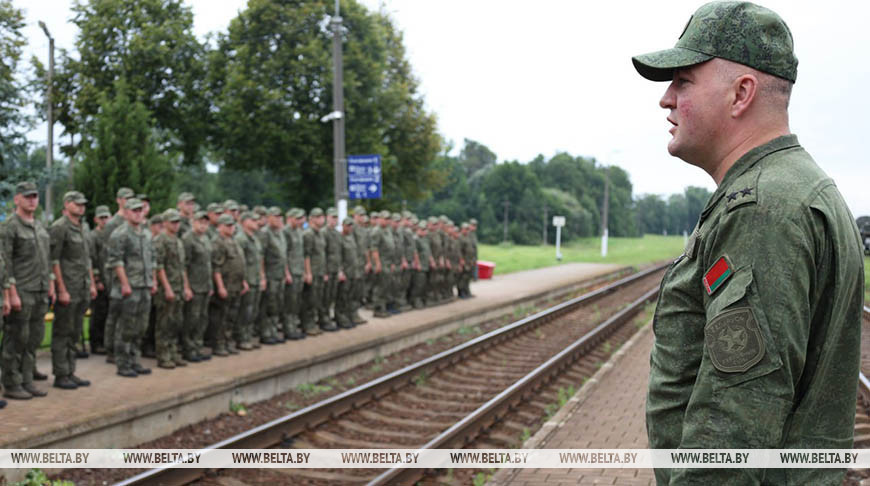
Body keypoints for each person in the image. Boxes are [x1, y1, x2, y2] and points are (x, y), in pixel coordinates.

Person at [632, 2, 864, 484]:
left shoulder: (762, 208)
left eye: (683, 81)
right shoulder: (796, 188)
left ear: (741, 93)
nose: (666, 99)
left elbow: (734, 422)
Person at [1, 182, 54, 399]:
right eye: (27, 196)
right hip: (21, 290)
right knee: (16, 338)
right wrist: (11, 292)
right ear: (17, 199)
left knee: (34, 337)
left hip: (39, 290)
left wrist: (50, 283)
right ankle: (12, 383)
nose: (32, 200)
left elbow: (47, 259)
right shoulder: (10, 227)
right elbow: (6, 261)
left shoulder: (39, 226)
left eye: (35, 196)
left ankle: (27, 379)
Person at [49, 191, 97, 390]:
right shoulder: (59, 228)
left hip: (82, 286)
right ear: (67, 204)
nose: (81, 207)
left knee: (75, 331)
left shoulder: (83, 227)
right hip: (68, 287)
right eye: (76, 204)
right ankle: (61, 374)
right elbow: (54, 260)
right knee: (63, 331)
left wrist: (92, 283)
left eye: (83, 204)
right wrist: (61, 288)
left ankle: (70, 371)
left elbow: (86, 260)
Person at [107, 198, 157, 378]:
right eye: (134, 210)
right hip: (130, 287)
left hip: (144, 285)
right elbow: (116, 261)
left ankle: (135, 360)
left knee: (141, 326)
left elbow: (152, 259)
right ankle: (123, 363)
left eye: (140, 210)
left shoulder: (146, 234)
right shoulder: (120, 234)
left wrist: (154, 281)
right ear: (126, 212)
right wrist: (125, 284)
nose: (138, 213)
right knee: (126, 327)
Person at [153, 209, 193, 369]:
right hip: (166, 288)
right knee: (164, 322)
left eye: (178, 222)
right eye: (173, 222)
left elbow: (182, 267)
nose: (176, 225)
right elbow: (159, 266)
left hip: (178, 287)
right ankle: (163, 355)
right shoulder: (160, 240)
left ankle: (173, 351)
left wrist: (186, 286)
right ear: (165, 223)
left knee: (176, 321)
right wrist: (167, 288)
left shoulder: (178, 241)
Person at [210, 214, 248, 356]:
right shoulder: (217, 243)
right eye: (227, 225)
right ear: (220, 226)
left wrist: (243, 281)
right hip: (225, 284)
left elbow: (238, 263)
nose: (231, 228)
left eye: (232, 225)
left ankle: (227, 341)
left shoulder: (233, 241)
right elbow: (217, 267)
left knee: (231, 315)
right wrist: (220, 286)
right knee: (221, 316)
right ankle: (219, 344)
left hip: (236, 284)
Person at [182, 211, 213, 362]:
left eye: (205, 223)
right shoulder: (188, 239)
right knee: (191, 319)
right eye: (200, 222)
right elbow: (184, 266)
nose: (203, 225)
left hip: (205, 285)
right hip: (194, 285)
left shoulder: (206, 239)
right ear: (193, 222)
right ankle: (188, 349)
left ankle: (197, 346)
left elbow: (208, 264)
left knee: (202, 318)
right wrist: (186, 287)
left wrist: (211, 285)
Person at [88, 205, 111, 354]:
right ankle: (95, 343)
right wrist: (96, 280)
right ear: (96, 219)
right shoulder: (93, 236)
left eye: (106, 217)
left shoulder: (111, 235)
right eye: (101, 218)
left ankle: (105, 340)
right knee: (99, 313)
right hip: (100, 279)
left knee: (108, 312)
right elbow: (92, 259)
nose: (104, 220)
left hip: (110, 279)